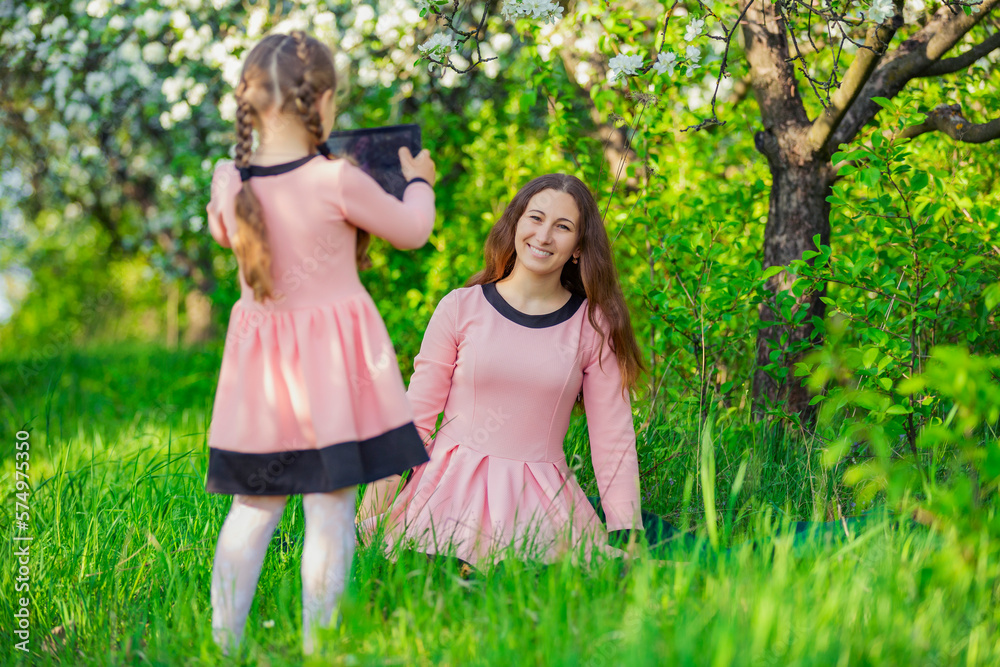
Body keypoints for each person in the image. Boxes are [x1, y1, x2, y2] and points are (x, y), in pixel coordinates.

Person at [203, 31, 437, 655]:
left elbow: (225, 230)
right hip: (332, 373)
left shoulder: (233, 184)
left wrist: (230, 175)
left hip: (261, 380)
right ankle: (321, 646)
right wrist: (418, 180)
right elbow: (413, 231)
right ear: (324, 103)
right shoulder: (337, 180)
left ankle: (223, 645)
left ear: (248, 106)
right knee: (330, 510)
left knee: (254, 508)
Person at [357, 173, 646, 567]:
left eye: (562, 227)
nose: (544, 236)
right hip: (446, 495)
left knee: (538, 583)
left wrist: (627, 532)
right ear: (516, 224)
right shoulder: (460, 307)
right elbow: (414, 422)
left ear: (578, 248)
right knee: (435, 582)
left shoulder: (592, 325)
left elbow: (613, 436)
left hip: (539, 502)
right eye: (536, 218)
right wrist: (368, 517)